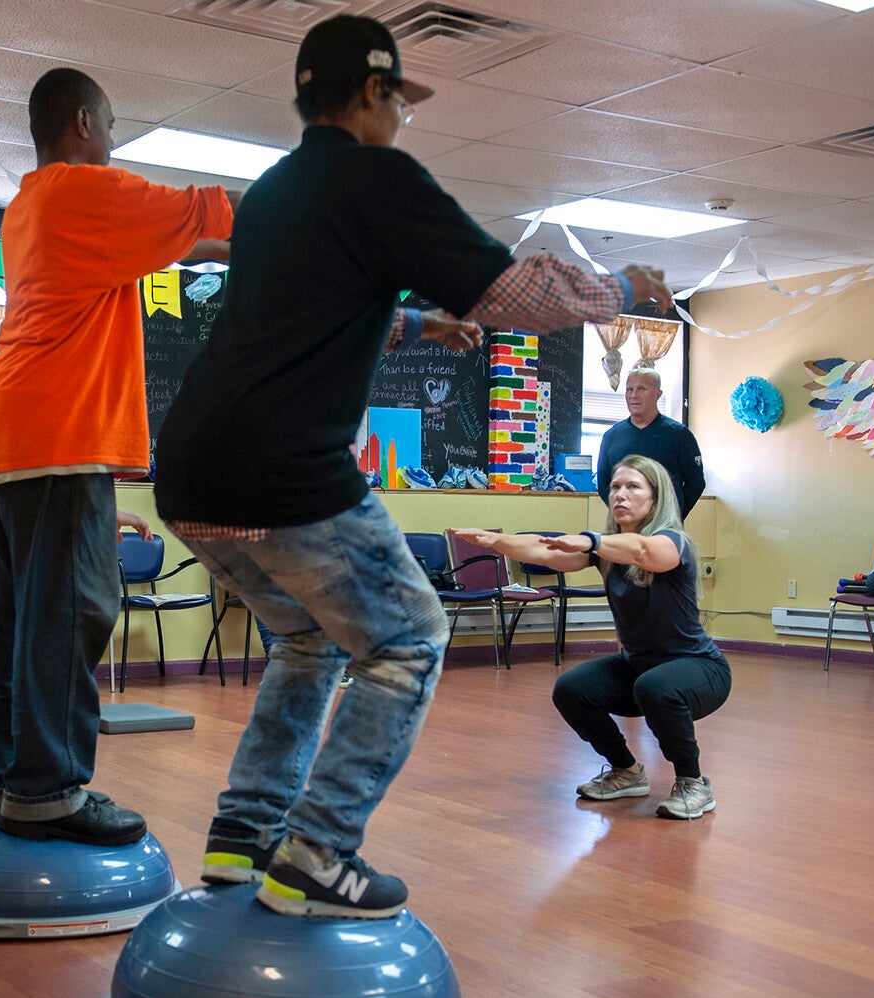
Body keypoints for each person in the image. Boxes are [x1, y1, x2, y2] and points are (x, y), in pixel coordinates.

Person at [153, 14, 674, 919]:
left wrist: (417, 324)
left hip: (192, 479)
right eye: (399, 100)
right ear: (371, 93)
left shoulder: (274, 191)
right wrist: (624, 291)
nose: (401, 119)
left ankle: (242, 842)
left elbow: (300, 313)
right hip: (284, 477)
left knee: (311, 639)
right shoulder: (375, 175)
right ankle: (317, 853)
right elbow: (514, 293)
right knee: (408, 638)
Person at [0, 67, 235, 846]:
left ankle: (13, 780)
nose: (117, 144)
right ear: (83, 122)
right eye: (114, 127)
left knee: (14, 615)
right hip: (56, 429)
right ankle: (48, 791)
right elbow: (219, 212)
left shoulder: (34, 202)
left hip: (12, 428)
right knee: (73, 607)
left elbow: (197, 240)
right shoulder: (86, 190)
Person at [451, 454, 730, 821]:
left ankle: (693, 783)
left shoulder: (673, 541)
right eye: (615, 487)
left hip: (699, 669)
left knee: (656, 687)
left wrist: (591, 541)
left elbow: (644, 552)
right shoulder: (606, 551)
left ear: (655, 497)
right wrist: (497, 541)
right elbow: (545, 551)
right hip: (640, 670)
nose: (620, 495)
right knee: (572, 689)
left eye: (633, 487)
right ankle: (626, 772)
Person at [595, 364, 705, 519]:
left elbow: (696, 483)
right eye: (629, 389)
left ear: (657, 394)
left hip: (664, 528)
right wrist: (622, 512)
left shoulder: (679, 435)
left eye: (641, 389)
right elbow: (603, 483)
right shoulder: (612, 436)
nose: (633, 395)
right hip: (624, 528)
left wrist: (674, 515)